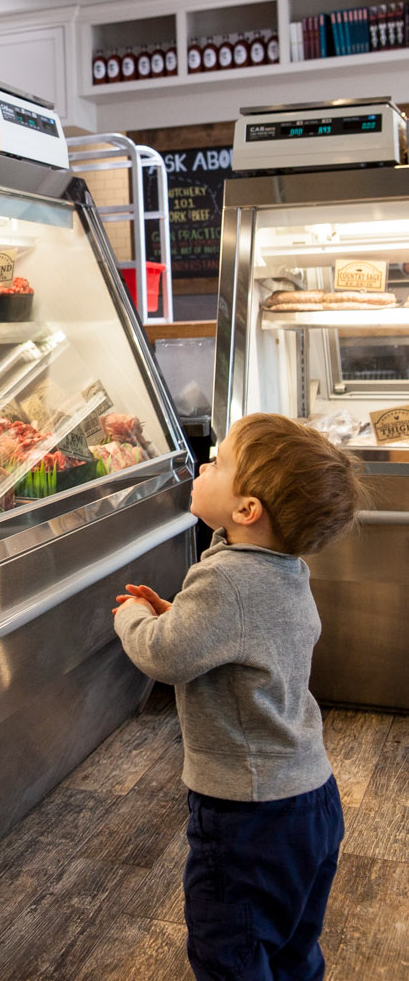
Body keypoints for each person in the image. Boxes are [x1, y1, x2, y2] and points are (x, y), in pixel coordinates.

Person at [113, 412, 366, 981]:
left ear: (247, 510)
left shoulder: (225, 580)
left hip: (249, 817)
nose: (205, 464)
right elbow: (242, 642)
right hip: (309, 801)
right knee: (292, 947)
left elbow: (166, 657)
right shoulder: (284, 570)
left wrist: (133, 618)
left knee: (230, 949)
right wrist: (179, 616)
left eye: (220, 461)